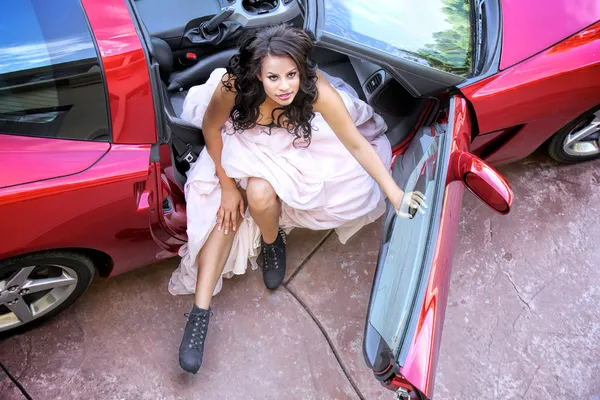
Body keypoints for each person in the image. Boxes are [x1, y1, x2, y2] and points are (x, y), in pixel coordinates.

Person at [168, 24, 426, 374]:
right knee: (224, 209)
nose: (285, 86)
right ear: (257, 75)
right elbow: (213, 129)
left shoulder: (313, 90)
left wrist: (395, 194)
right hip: (241, 139)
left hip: (295, 143)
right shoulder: (234, 87)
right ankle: (199, 315)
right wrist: (229, 187)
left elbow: (354, 144)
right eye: (273, 77)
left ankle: (273, 240)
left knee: (272, 193)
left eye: (291, 74)